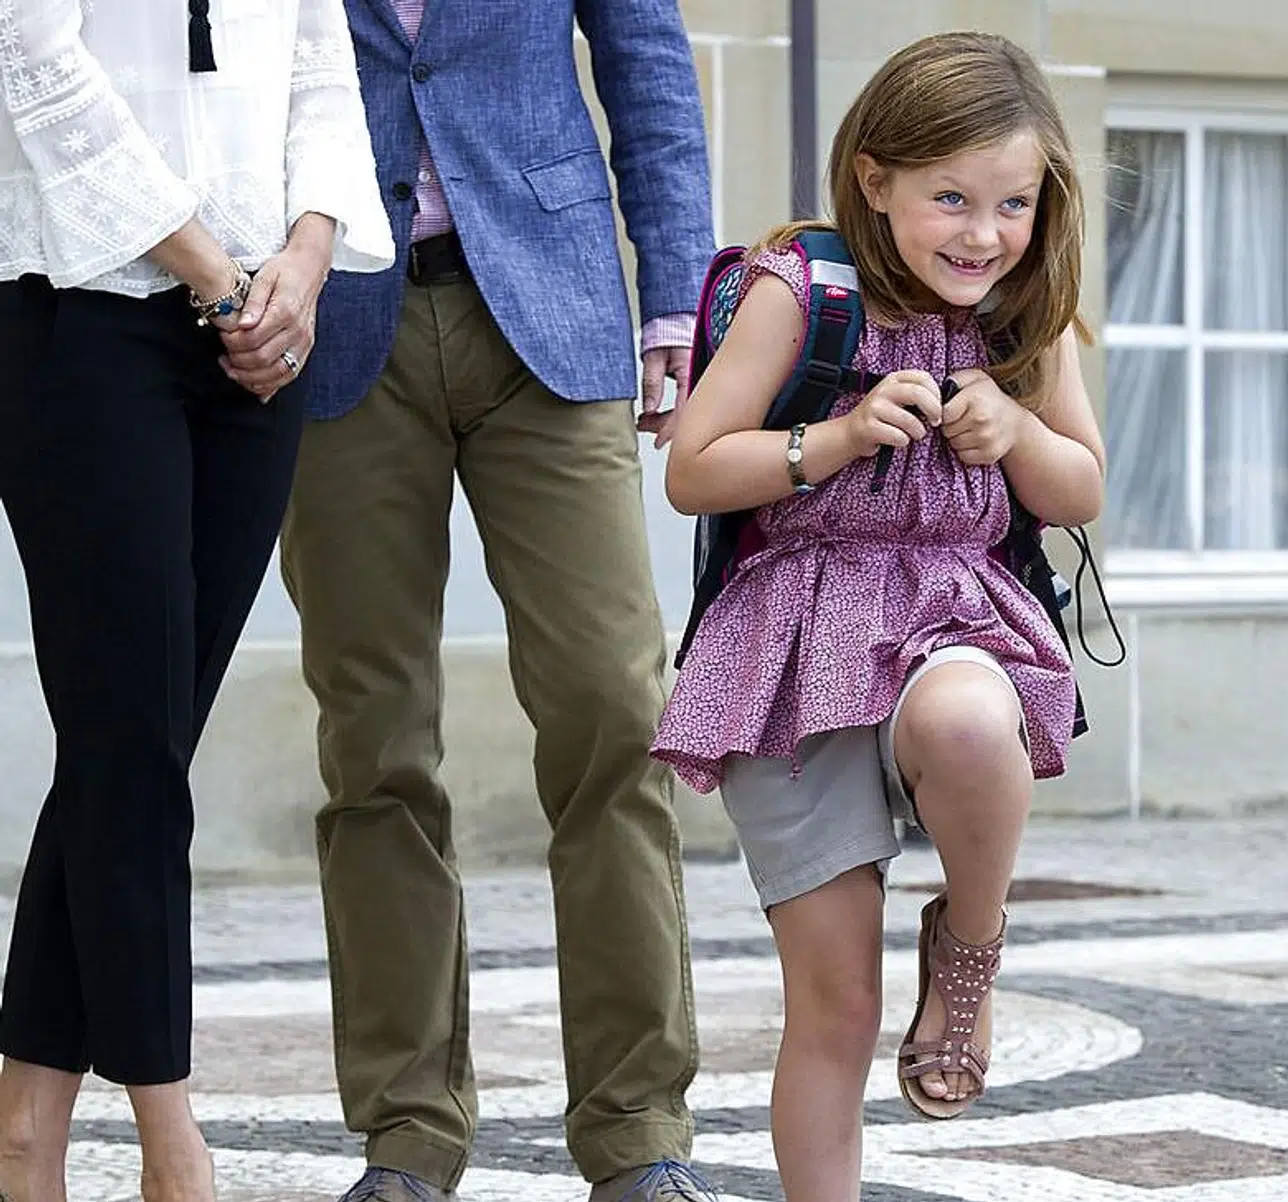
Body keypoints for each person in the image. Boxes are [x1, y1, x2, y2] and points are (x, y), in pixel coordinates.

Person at [651, 30, 1106, 1202]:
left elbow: (1085, 487)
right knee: (837, 1000)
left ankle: (970, 942)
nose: (981, 232)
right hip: (788, 650)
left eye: (1011, 202)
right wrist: (839, 439)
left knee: (966, 723)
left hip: (953, 609)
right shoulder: (801, 291)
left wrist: (1019, 432)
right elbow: (695, 469)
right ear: (876, 180)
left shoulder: (1023, 311)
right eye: (949, 197)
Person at [280, 2, 715, 1199]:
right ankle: (407, 1135)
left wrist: (677, 293)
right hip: (334, 316)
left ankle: (638, 1131)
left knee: (617, 715)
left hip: (551, 303)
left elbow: (647, 61)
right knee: (372, 742)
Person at [0, 2, 393, 1200]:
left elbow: (323, 67)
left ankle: (23, 1123)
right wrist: (216, 272)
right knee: (130, 741)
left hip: (264, 330)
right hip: (81, 309)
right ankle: (174, 1141)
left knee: (138, 733)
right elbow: (30, 51)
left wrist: (306, 262)